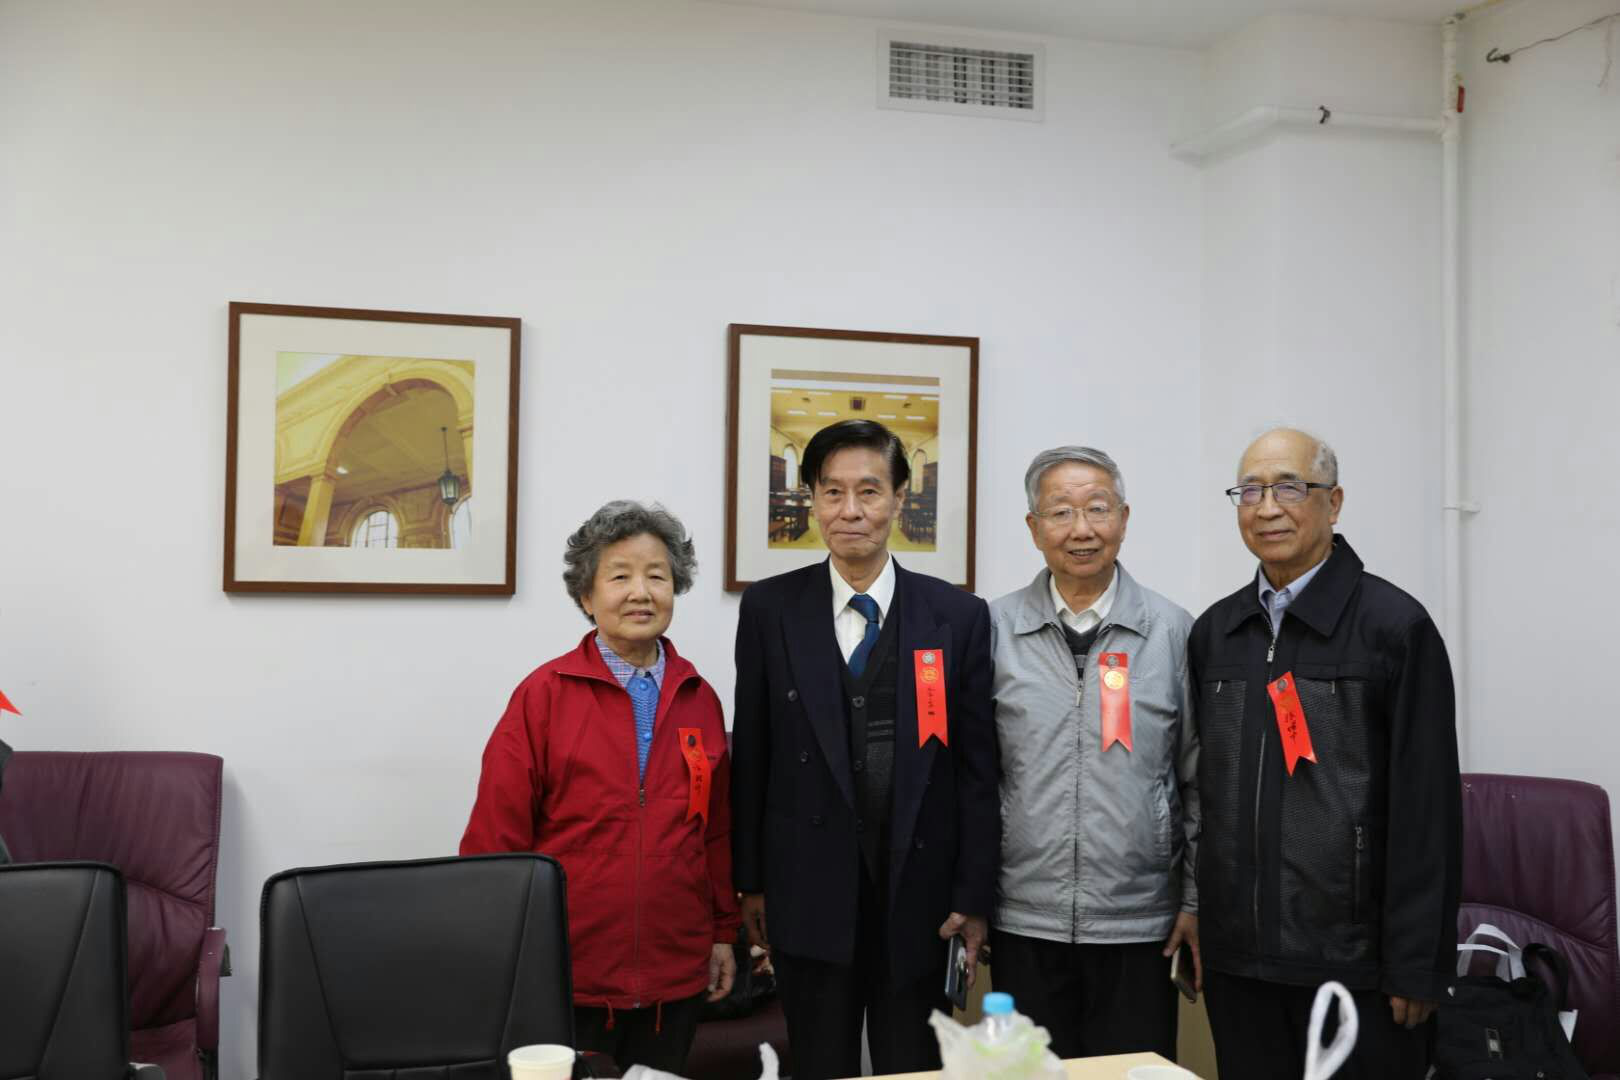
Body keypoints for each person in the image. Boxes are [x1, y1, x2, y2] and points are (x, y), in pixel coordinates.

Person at [730, 419, 998, 1080]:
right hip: (808, 893)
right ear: (813, 500)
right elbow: (754, 754)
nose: (850, 511)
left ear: (900, 498)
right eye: (832, 492)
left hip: (922, 901)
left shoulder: (957, 616)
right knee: (819, 1063)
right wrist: (750, 882)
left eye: (869, 491)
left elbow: (976, 771)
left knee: (915, 1067)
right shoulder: (770, 609)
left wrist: (973, 894)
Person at [1190, 428, 1461, 1080]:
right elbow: (1200, 793)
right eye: (1249, 491)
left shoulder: (1394, 627)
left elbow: (1428, 811)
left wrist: (1417, 964)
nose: (1266, 508)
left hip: (1356, 970)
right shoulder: (1216, 632)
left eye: (1289, 488)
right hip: (1239, 966)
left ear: (1333, 503)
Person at [460, 500, 738, 1075]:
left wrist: (721, 933)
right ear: (586, 596)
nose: (641, 592)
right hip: (567, 974)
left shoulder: (700, 698)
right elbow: (495, 838)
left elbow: (715, 833)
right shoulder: (543, 695)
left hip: (674, 979)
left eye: (657, 576)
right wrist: (500, 954)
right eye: (619, 577)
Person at [988, 446, 1199, 1061]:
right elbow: (972, 779)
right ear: (1034, 528)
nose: (1081, 529)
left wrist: (1194, 901)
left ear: (1123, 520)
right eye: (1060, 512)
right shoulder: (993, 630)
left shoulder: (1173, 631)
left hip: (1141, 923)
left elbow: (1199, 780)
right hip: (1023, 918)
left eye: (1097, 509)